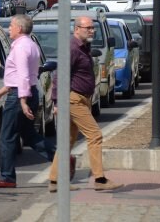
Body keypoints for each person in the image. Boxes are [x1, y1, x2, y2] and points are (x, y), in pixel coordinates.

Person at [48, 16, 123, 192]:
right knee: (95, 135)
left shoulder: (84, 46)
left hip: (82, 98)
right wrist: (57, 102)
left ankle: (54, 180)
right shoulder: (72, 48)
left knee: (68, 140)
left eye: (93, 27)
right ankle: (100, 179)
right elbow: (60, 76)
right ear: (77, 29)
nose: (92, 30)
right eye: (88, 28)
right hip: (73, 99)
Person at [0, 14, 60, 188]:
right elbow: (17, 77)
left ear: (19, 28)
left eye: (11, 25)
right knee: (28, 134)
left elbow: (23, 76)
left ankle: (7, 177)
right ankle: (60, 158)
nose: (8, 29)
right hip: (26, 91)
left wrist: (23, 101)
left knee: (7, 136)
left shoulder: (20, 48)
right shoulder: (31, 45)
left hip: (21, 95)